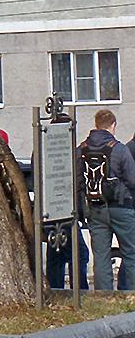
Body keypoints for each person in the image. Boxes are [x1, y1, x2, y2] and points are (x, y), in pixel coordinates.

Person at [79, 109, 135, 290]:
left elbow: (78, 181)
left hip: (95, 208)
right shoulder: (119, 148)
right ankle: (131, 296)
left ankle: (104, 297)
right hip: (121, 207)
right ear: (113, 125)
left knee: (101, 256)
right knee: (131, 254)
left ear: (96, 125)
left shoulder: (82, 149)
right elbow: (132, 179)